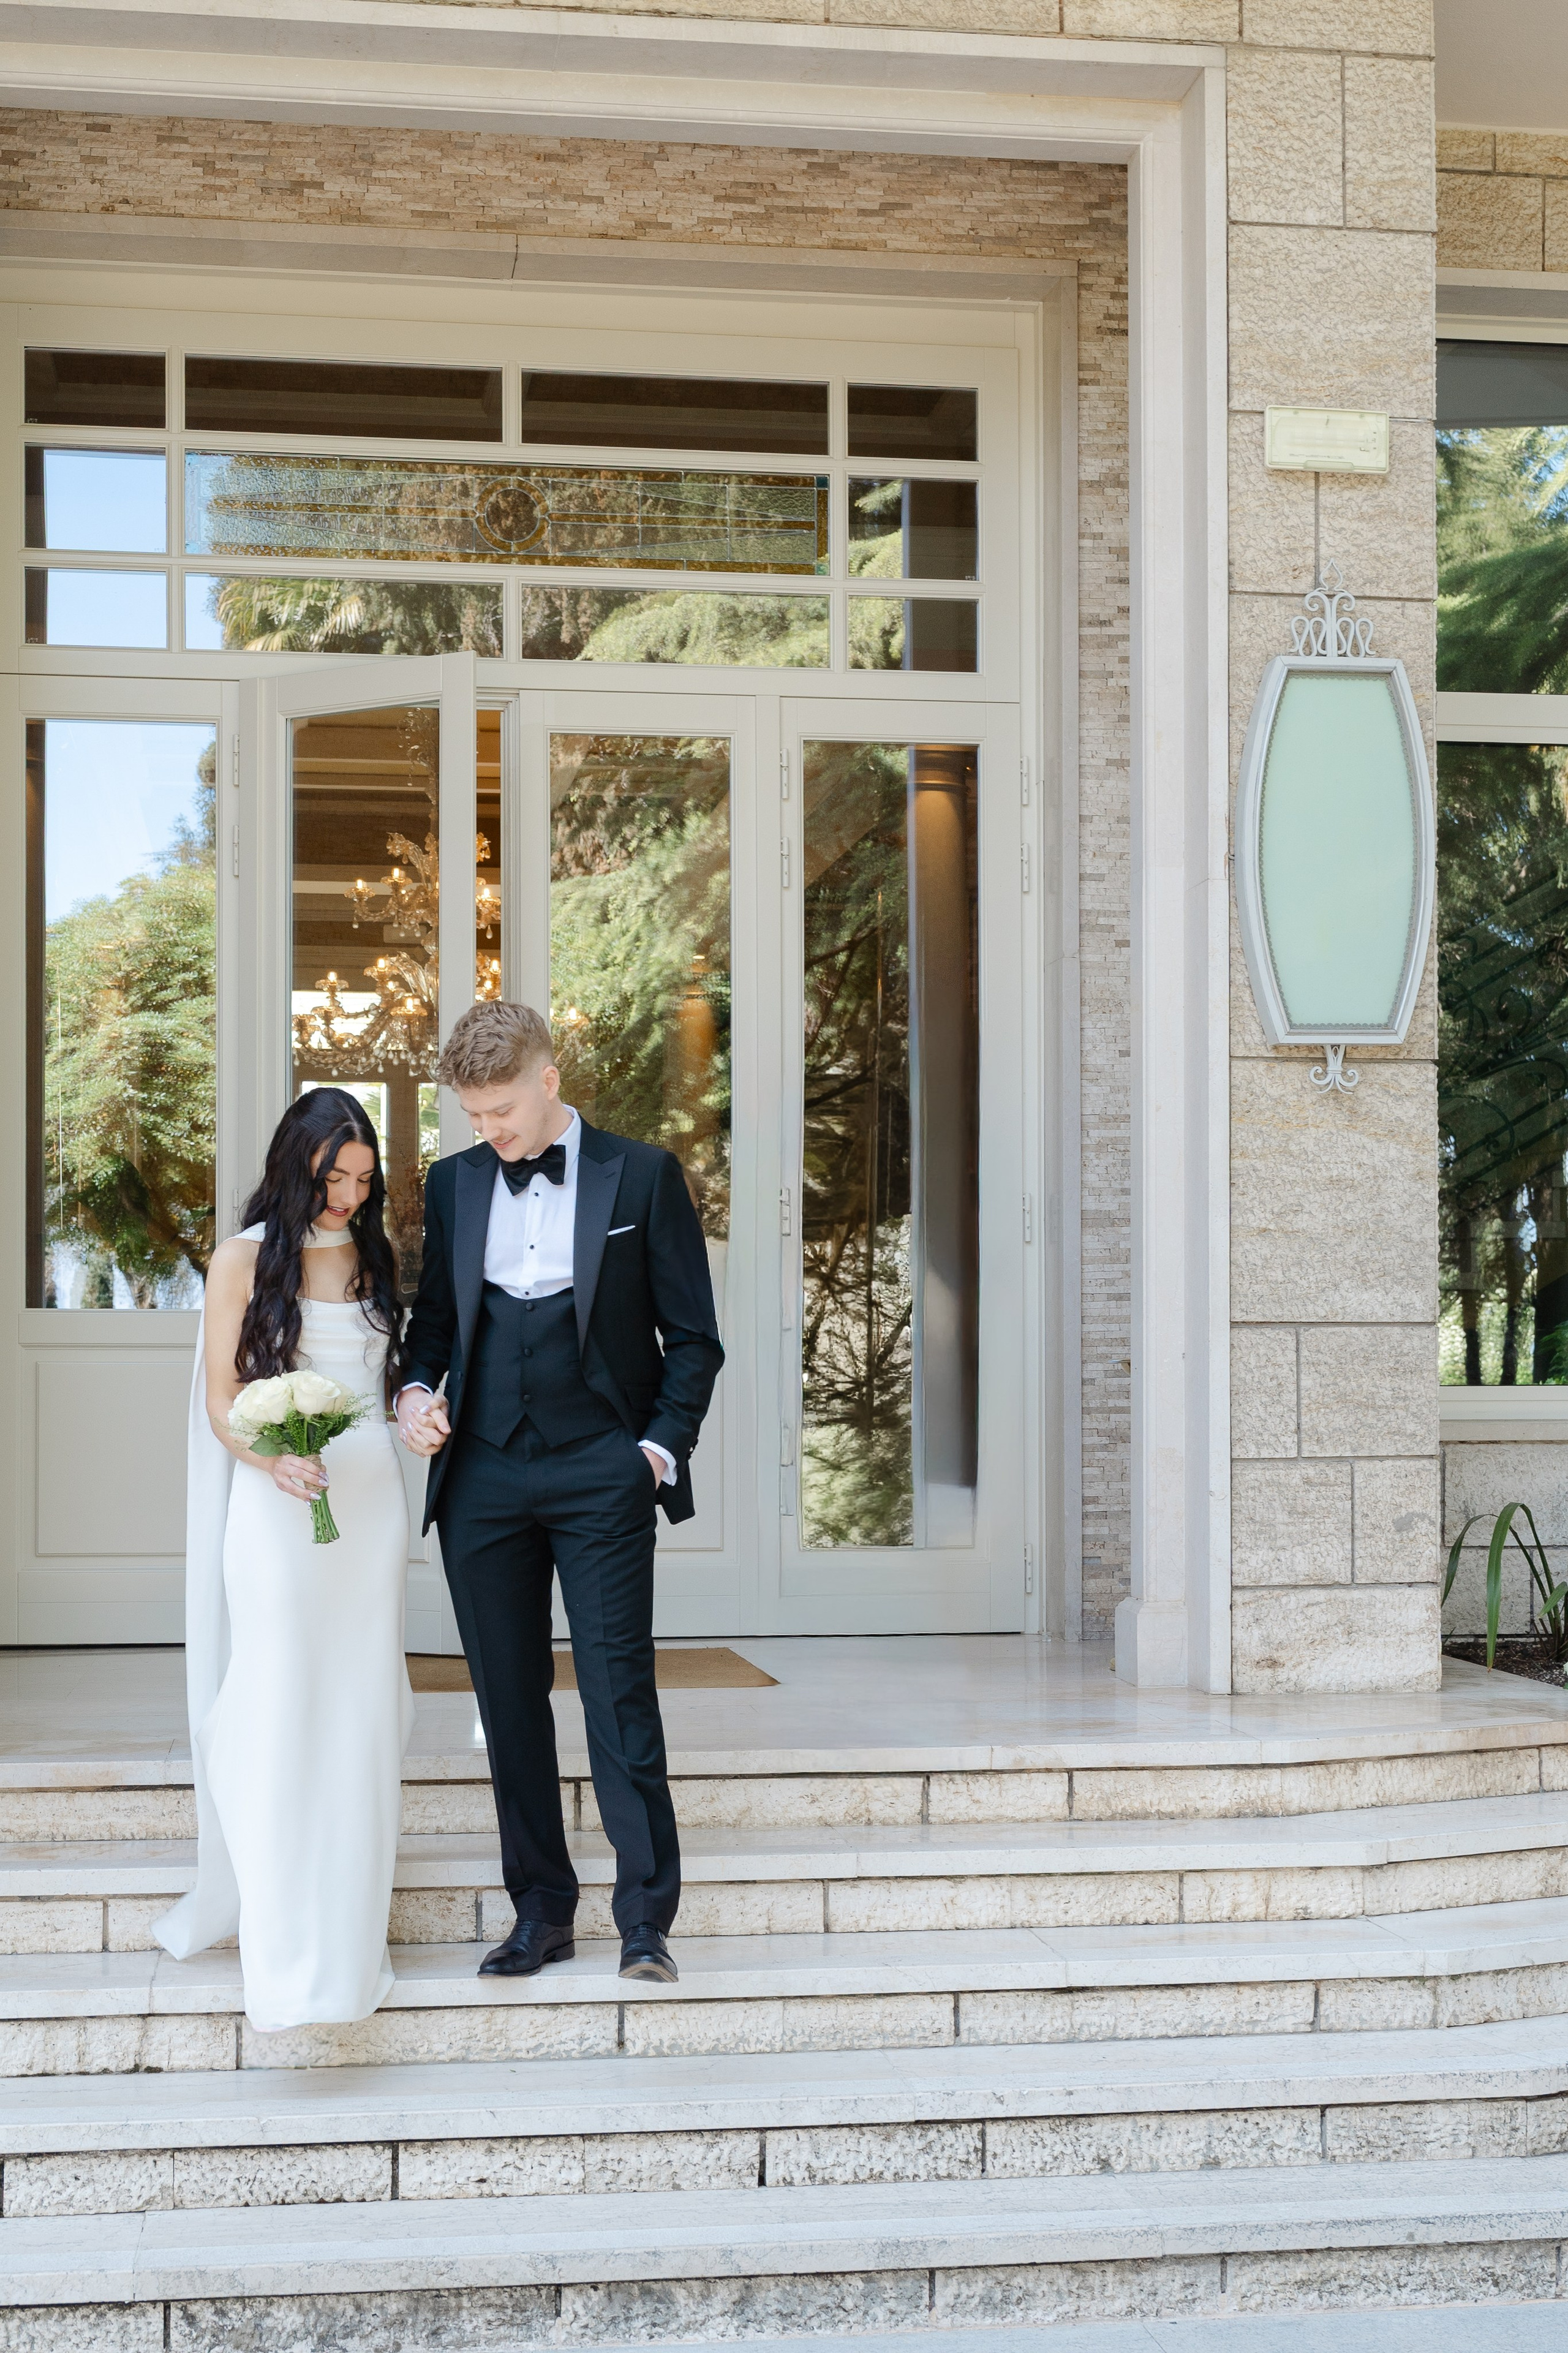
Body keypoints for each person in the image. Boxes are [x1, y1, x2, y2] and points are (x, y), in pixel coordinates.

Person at [398, 1001, 723, 1984]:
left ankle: (644, 1920)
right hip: (484, 1475)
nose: (488, 1130)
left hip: (600, 1468)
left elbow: (694, 1340)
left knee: (621, 1695)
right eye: (473, 1114)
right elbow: (434, 1329)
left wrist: (653, 1455)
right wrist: (416, 1396)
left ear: (548, 1079)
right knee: (508, 1696)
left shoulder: (645, 1175)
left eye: (500, 1108)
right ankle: (540, 1911)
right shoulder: (454, 1184)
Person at [154, 1090, 415, 2031]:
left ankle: (348, 1935)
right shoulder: (240, 1258)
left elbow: (387, 1386)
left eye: (362, 1179)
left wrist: (415, 1415)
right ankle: (282, 1937)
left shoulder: (372, 1255)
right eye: (332, 1177)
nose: (348, 1196)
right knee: (275, 1700)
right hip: (273, 1513)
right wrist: (273, 1460)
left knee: (358, 1707)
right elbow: (223, 1401)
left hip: (370, 1509)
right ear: (297, 1164)